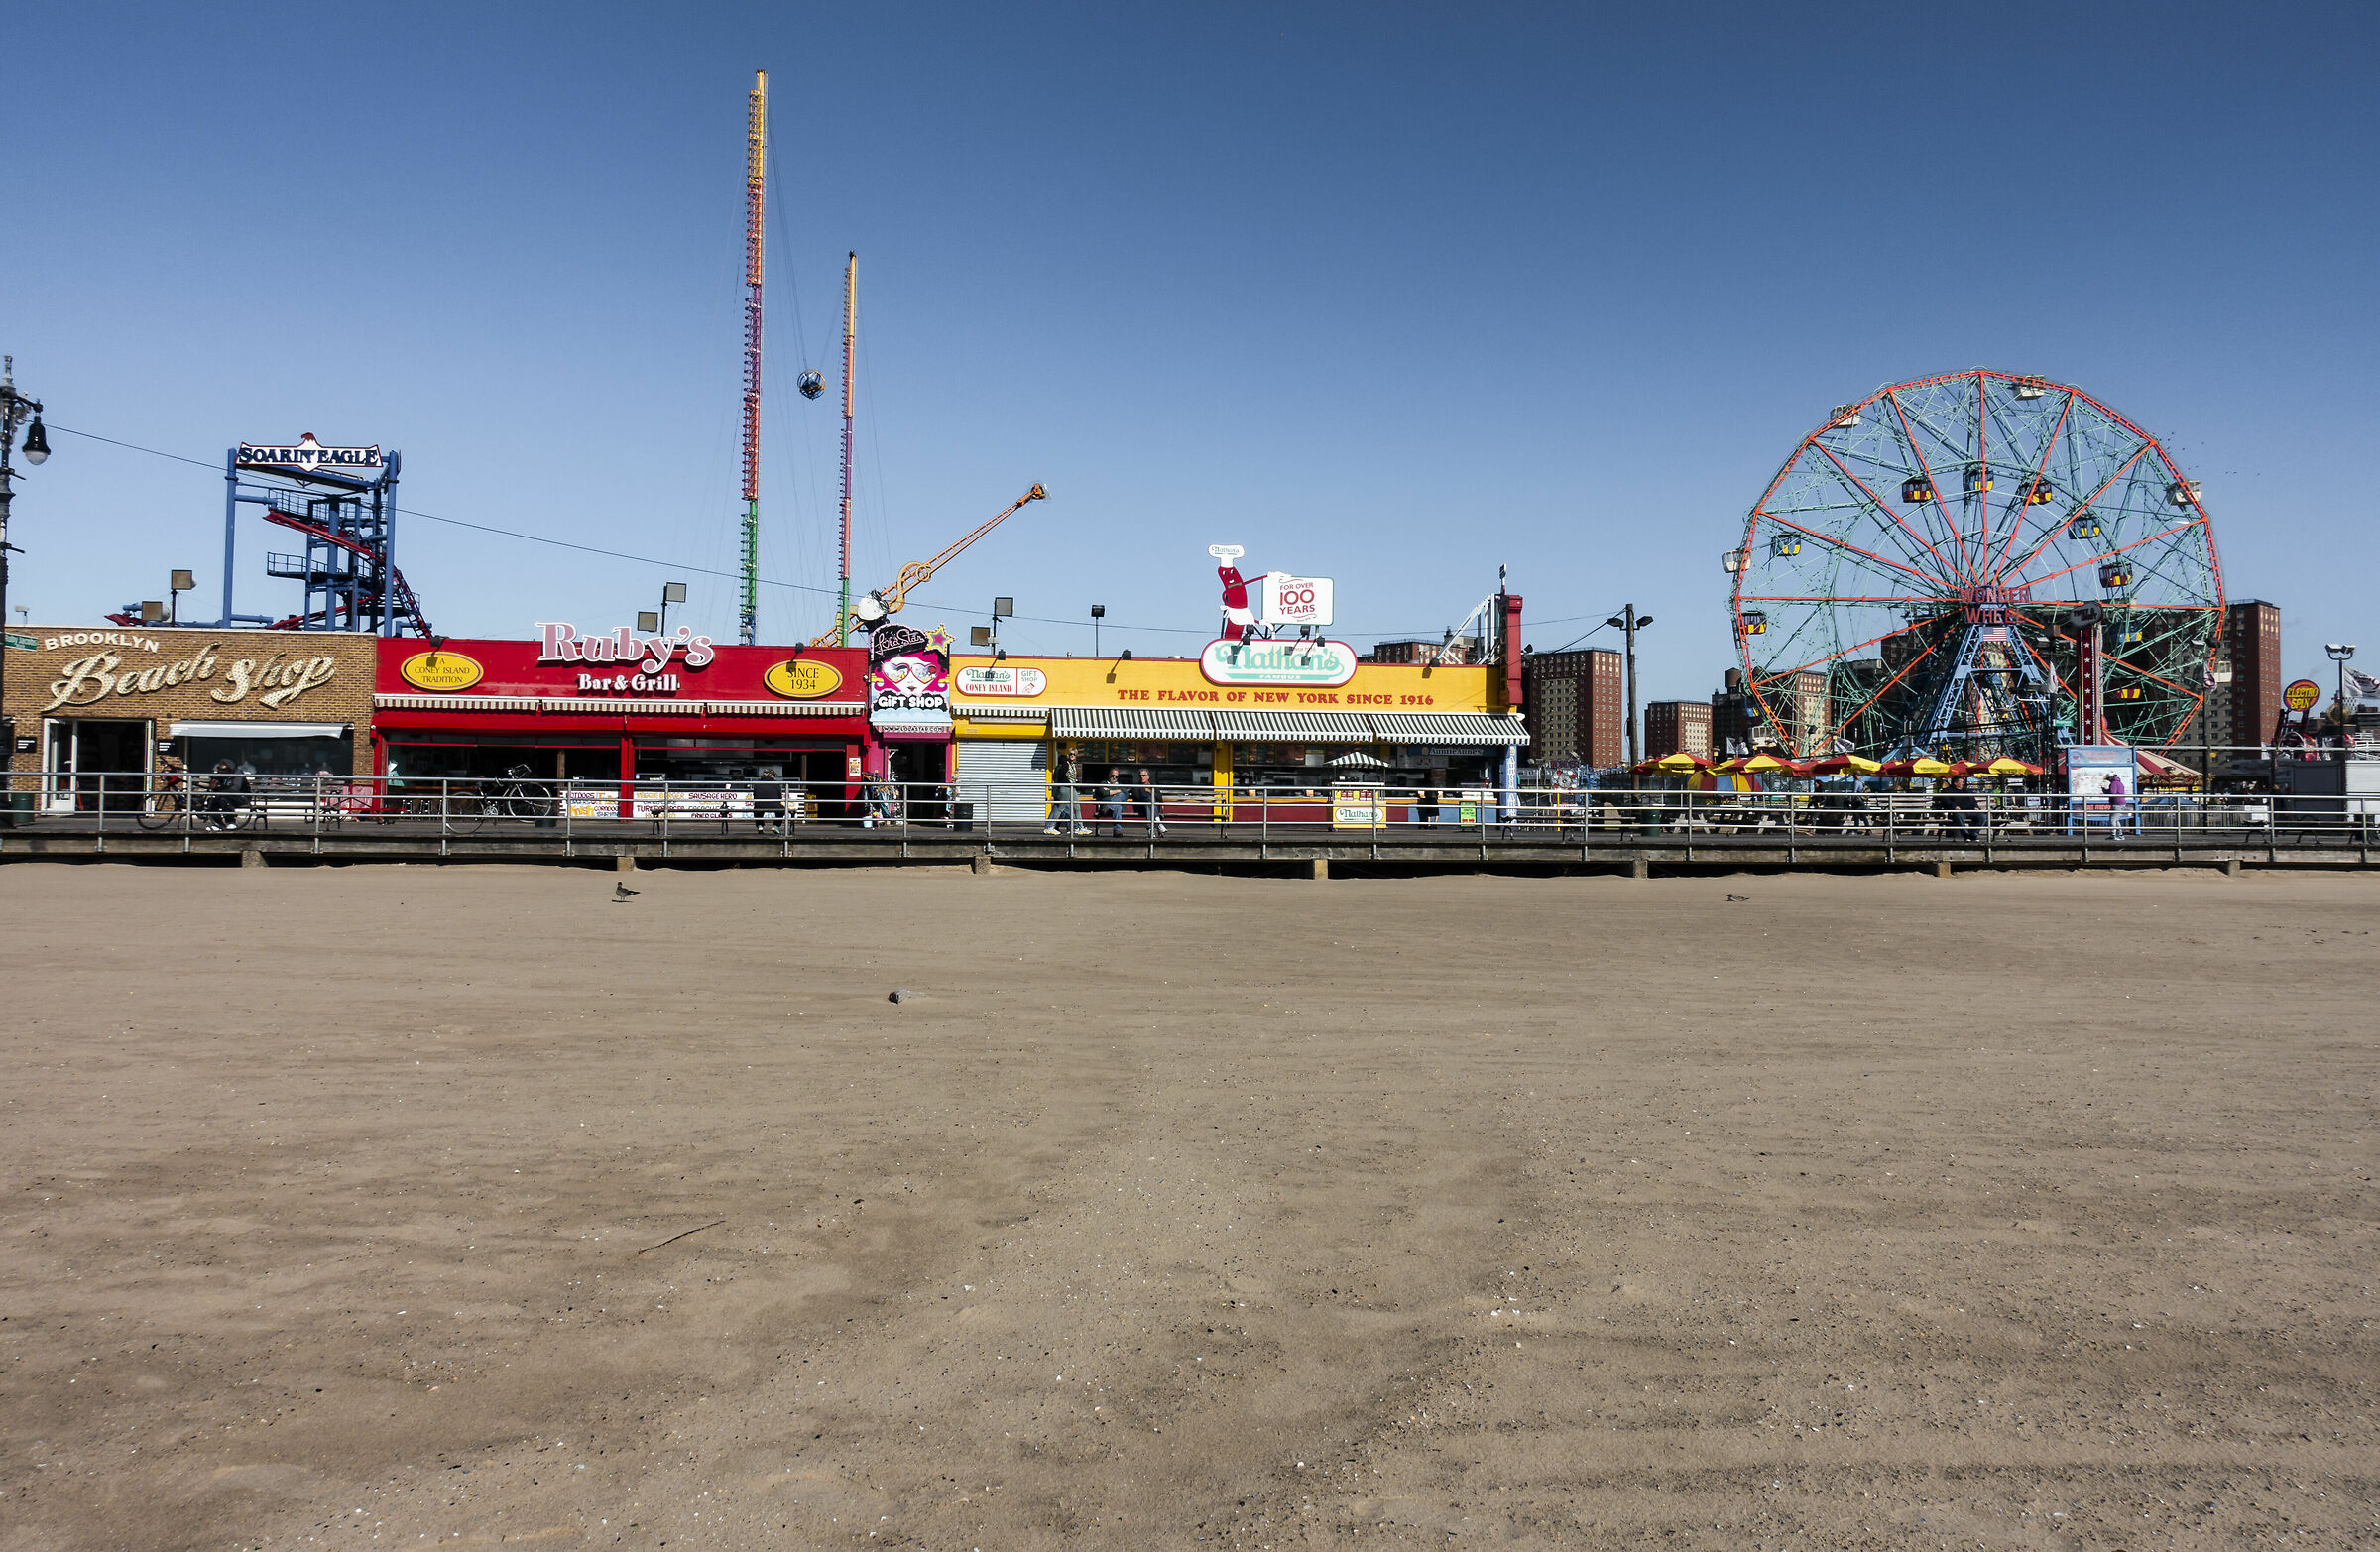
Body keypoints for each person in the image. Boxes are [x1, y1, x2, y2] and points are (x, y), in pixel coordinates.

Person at [1047, 743, 1086, 835]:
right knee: (1061, 808)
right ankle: (1051, 826)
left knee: (1077, 807)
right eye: (1071, 754)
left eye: (1074, 754)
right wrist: (1058, 790)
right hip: (1066, 788)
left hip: (1072, 788)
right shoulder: (1066, 763)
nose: (1072, 755)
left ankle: (1081, 827)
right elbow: (1060, 776)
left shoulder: (1073, 764)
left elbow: (1072, 777)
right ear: (1069, 755)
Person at [1136, 767, 1166, 836]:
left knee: (1149, 803)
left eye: (1144, 775)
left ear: (1148, 777)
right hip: (1141, 807)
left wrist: (1150, 792)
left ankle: (1150, 830)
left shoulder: (1153, 785)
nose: (1142, 777)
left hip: (1149, 807)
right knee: (1149, 801)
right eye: (1140, 776)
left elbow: (1160, 798)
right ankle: (1159, 824)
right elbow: (1137, 798)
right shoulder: (1137, 786)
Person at [1100, 768, 1127, 837]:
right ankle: (1117, 831)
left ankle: (1108, 807)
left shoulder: (1120, 785)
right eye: (1112, 775)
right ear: (1109, 775)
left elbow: (1126, 795)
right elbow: (1103, 793)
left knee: (1121, 795)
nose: (1114, 778)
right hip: (1106, 809)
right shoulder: (1103, 783)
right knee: (1118, 806)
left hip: (1106, 809)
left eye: (1116, 776)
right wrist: (1118, 791)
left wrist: (1110, 792)